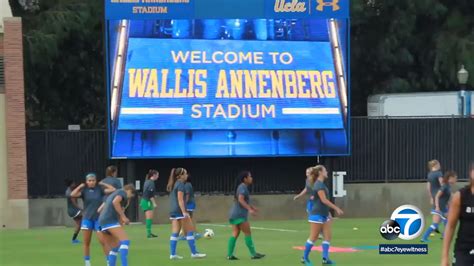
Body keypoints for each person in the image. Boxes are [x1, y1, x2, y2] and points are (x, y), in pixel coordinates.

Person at [70, 173, 116, 266]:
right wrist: (80, 186)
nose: (91, 182)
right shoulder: (84, 191)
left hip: (98, 219)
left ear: (96, 181)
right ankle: (87, 262)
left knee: (103, 241)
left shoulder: (100, 190)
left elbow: (113, 189)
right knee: (87, 242)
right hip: (87, 219)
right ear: (87, 182)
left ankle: (108, 262)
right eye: (89, 181)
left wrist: (103, 184)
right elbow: (72, 194)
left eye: (93, 180)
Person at [301, 165, 343, 266]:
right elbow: (324, 200)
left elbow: (321, 201)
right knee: (314, 237)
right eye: (325, 170)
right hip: (317, 214)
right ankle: (304, 257)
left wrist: (328, 213)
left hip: (323, 214)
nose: (327, 172)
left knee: (327, 236)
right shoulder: (318, 185)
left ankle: (325, 258)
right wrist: (336, 208)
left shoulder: (321, 184)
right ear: (320, 172)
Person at [168, 167, 206, 260]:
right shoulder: (181, 184)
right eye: (185, 173)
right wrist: (184, 212)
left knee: (175, 233)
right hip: (180, 211)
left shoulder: (175, 184)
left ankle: (173, 254)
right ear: (180, 176)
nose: (186, 175)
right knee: (190, 230)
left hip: (173, 211)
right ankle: (194, 253)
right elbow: (180, 199)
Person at [227, 171, 265, 260]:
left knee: (235, 234)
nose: (251, 178)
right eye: (250, 176)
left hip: (234, 214)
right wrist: (249, 209)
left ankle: (229, 255)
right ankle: (253, 254)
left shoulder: (241, 187)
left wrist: (252, 207)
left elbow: (242, 200)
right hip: (240, 215)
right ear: (245, 179)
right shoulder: (243, 187)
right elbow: (241, 199)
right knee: (247, 233)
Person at [442, 163, 474, 266]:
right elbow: (450, 226)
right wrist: (445, 257)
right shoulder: (460, 196)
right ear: (470, 173)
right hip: (464, 250)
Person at [99, 184, 137, 266]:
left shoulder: (113, 194)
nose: (129, 198)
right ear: (129, 190)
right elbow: (115, 202)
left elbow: (99, 210)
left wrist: (120, 223)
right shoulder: (122, 192)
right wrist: (124, 217)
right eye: (131, 195)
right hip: (110, 220)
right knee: (125, 241)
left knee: (114, 248)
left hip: (102, 222)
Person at [421, 171, 457, 242]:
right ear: (450, 178)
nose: (456, 179)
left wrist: (448, 205)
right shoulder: (444, 186)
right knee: (436, 224)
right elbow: (437, 196)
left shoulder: (448, 186)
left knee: (446, 222)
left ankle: (444, 236)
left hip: (443, 208)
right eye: (455, 178)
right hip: (439, 208)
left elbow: (446, 198)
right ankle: (424, 238)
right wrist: (437, 207)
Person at [140, 169, 159, 238]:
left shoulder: (147, 181)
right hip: (146, 201)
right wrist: (154, 203)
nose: (158, 176)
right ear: (154, 175)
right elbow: (150, 194)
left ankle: (149, 233)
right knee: (149, 217)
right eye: (157, 175)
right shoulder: (151, 183)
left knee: (149, 217)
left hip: (145, 201)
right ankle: (148, 233)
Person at [426, 160, 443, 235]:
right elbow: (442, 184)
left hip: (433, 195)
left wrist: (430, 197)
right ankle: (434, 228)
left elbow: (428, 187)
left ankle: (435, 228)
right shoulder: (439, 173)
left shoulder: (430, 174)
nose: (440, 165)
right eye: (439, 164)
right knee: (442, 211)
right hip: (439, 195)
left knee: (435, 212)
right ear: (436, 165)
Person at [65, 179, 83, 244]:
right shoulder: (69, 192)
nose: (74, 184)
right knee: (85, 220)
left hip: (72, 211)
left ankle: (74, 239)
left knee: (79, 224)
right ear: (70, 184)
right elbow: (74, 203)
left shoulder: (68, 190)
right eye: (73, 183)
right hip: (74, 211)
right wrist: (81, 209)